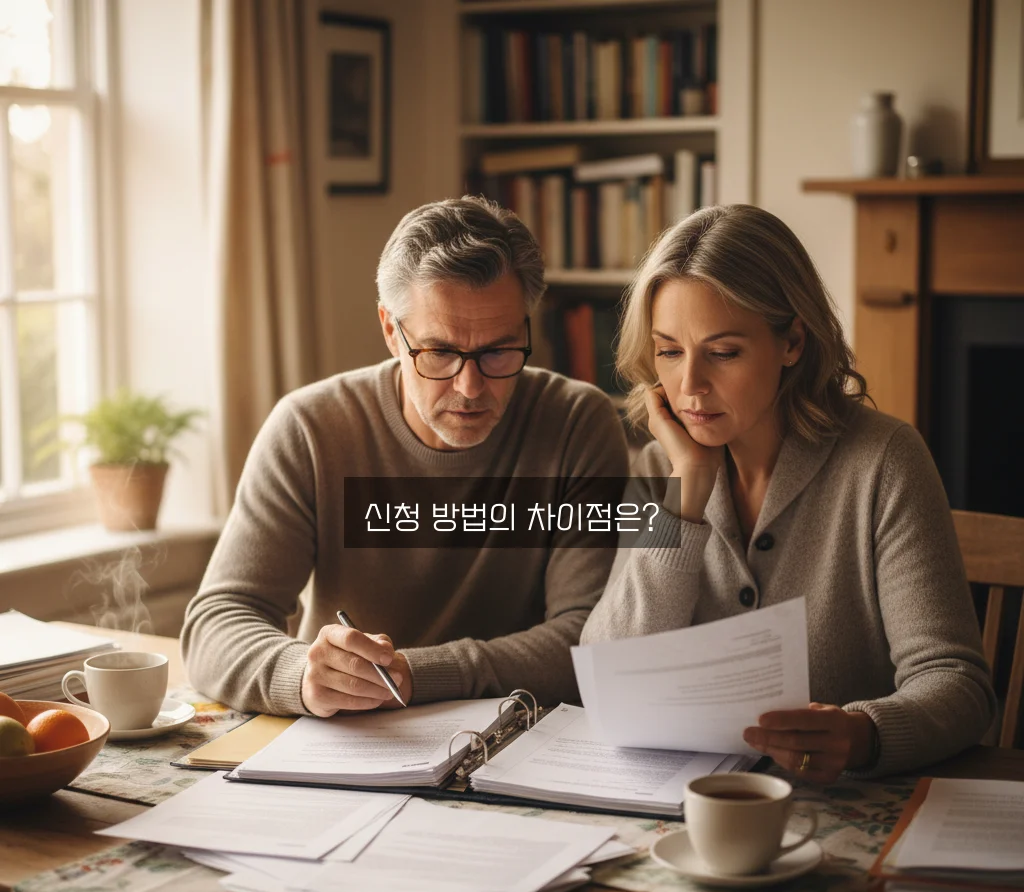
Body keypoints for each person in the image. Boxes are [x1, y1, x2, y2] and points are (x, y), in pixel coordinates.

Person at [580, 204, 995, 782]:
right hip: (695, 802)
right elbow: (609, 673)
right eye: (669, 351)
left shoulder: (884, 461)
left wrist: (865, 733)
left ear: (793, 341)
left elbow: (959, 686)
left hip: (849, 802)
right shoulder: (661, 468)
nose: (690, 385)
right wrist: (688, 490)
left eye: (723, 352)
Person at [182, 196, 629, 718]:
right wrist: (301, 673)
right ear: (392, 331)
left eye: (498, 351)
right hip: (345, 742)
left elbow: (588, 637)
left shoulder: (579, 423)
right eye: (439, 352)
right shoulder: (309, 428)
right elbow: (217, 621)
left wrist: (416, 675)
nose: (470, 386)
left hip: (513, 741)